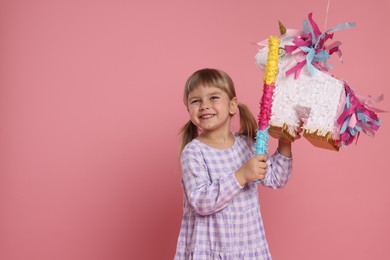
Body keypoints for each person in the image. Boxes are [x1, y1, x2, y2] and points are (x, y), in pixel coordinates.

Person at [174, 68, 300, 259]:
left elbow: (276, 178)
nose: (204, 105)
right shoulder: (194, 152)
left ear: (232, 105)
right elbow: (200, 201)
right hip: (211, 250)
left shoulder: (247, 145)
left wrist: (285, 141)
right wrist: (241, 176)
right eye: (195, 101)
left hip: (248, 248)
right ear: (188, 110)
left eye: (214, 97)